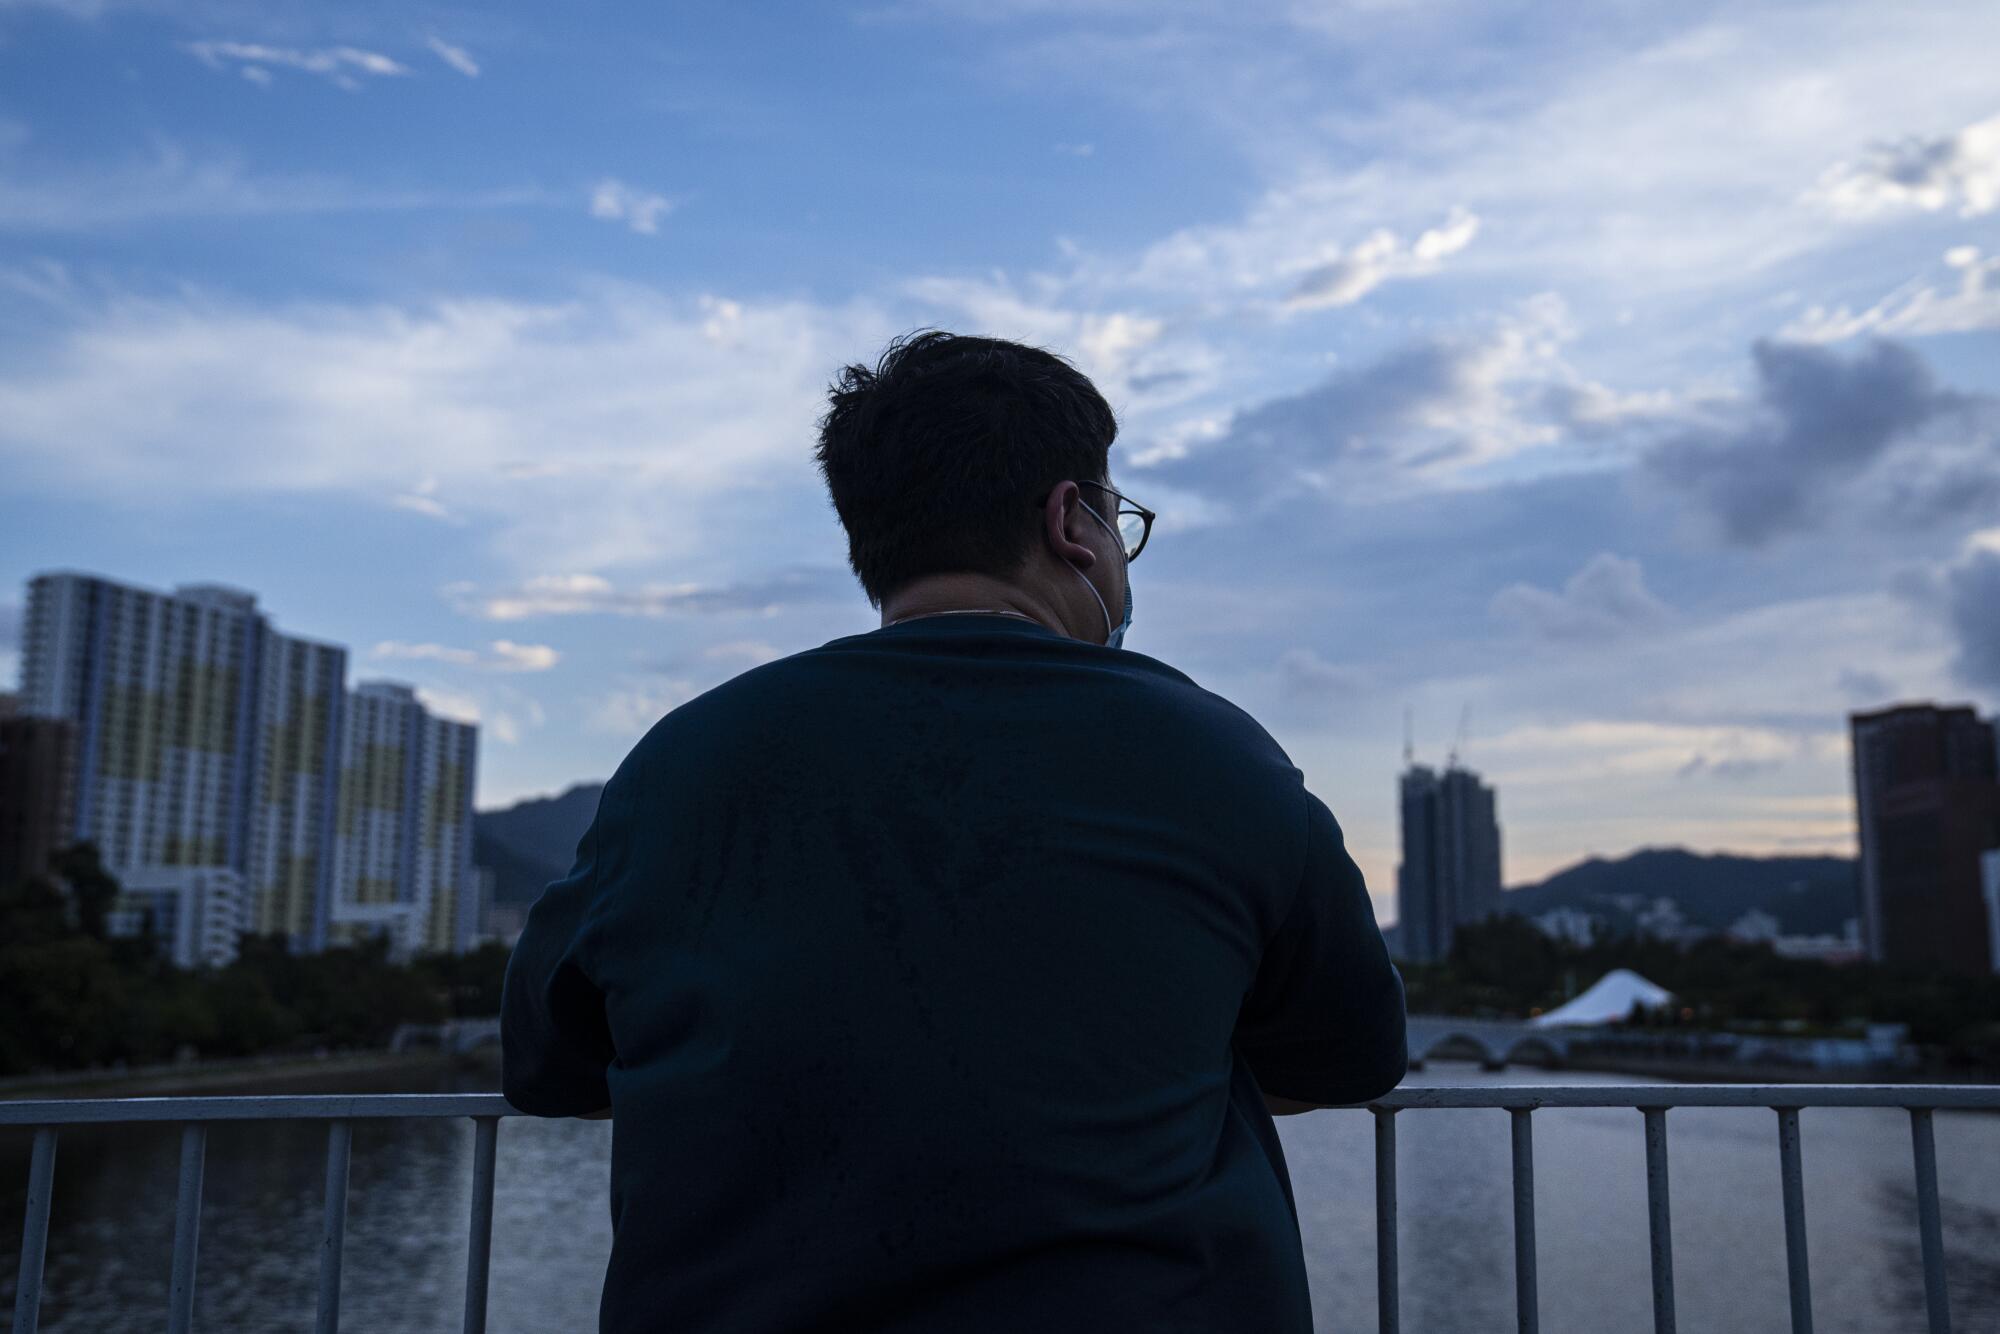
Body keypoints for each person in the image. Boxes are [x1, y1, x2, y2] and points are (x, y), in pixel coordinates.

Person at [501, 330, 1408, 1333]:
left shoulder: (675, 765)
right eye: (1118, 519)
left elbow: (550, 1062)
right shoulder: (1217, 754)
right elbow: (1350, 1054)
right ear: (1072, 519)